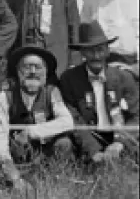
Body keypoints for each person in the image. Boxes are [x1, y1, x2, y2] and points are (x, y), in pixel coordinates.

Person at [0, 45, 74, 192]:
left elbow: (67, 122)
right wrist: (14, 176)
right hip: (17, 158)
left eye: (38, 67)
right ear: (18, 71)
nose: (33, 72)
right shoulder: (6, 96)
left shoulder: (52, 92)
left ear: (46, 72)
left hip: (45, 156)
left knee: (64, 143)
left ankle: (54, 183)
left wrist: (31, 131)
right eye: (27, 67)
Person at [57, 22, 139, 164]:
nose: (96, 56)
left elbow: (136, 115)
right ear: (82, 52)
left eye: (100, 50)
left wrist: (120, 142)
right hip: (89, 137)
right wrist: (92, 149)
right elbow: (73, 117)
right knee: (64, 144)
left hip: (119, 136)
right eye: (90, 51)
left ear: (108, 51)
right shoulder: (69, 79)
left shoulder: (124, 77)